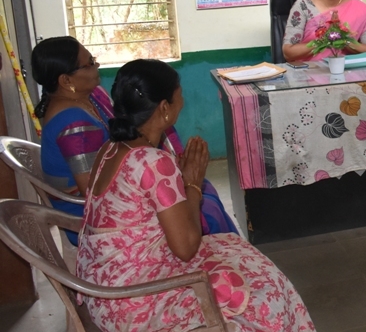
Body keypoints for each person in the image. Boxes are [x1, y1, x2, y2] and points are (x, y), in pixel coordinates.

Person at [77, 59, 341, 332]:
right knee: (267, 296)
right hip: (133, 305)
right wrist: (192, 182)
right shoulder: (151, 161)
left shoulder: (111, 149)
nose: (182, 101)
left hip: (102, 295)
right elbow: (186, 246)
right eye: (179, 96)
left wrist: (178, 179)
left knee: (236, 250)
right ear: (164, 108)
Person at [31, 37, 237, 244]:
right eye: (90, 63)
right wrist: (179, 185)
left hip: (116, 193)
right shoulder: (72, 124)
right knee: (204, 207)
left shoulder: (89, 98)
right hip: (94, 219)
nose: (97, 65)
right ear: (66, 80)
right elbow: (93, 192)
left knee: (202, 189)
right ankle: (219, 253)